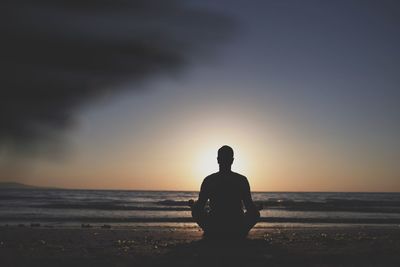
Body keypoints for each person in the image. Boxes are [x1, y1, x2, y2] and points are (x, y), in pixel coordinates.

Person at [189, 145, 260, 238]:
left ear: (218, 160)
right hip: (237, 225)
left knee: (195, 210)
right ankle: (240, 233)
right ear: (232, 160)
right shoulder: (241, 180)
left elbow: (200, 207)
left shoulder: (209, 180)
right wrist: (256, 208)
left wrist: (193, 206)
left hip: (214, 225)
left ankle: (212, 233)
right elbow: (249, 207)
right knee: (255, 213)